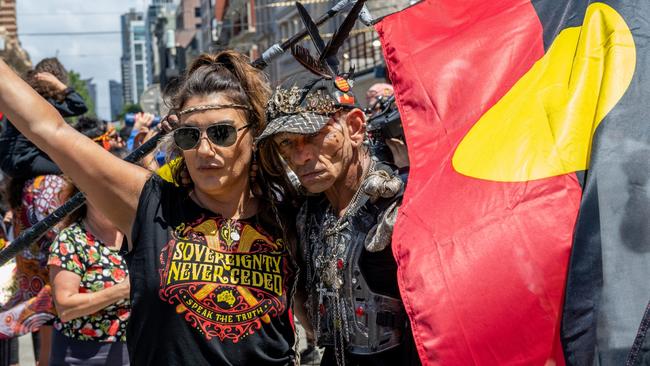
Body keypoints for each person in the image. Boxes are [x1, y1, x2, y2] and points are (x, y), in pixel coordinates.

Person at [0, 50, 298, 365]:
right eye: (189, 135)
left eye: (221, 132)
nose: (204, 148)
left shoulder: (287, 215)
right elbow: (51, 130)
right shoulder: (150, 205)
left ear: (253, 135)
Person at [257, 71, 420, 366]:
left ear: (355, 127)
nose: (300, 156)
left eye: (313, 136)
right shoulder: (306, 212)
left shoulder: (404, 207)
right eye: (286, 143)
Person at [46, 116, 130, 366]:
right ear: (85, 193)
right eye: (105, 190)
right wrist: (122, 290)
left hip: (132, 350)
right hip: (80, 355)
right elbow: (65, 306)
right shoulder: (71, 240)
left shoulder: (135, 234)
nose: (114, 198)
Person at [0, 57, 87, 179]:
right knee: (78, 170)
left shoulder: (25, 94)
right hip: (23, 160)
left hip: (8, 160)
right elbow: (79, 106)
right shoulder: (43, 102)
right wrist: (58, 84)